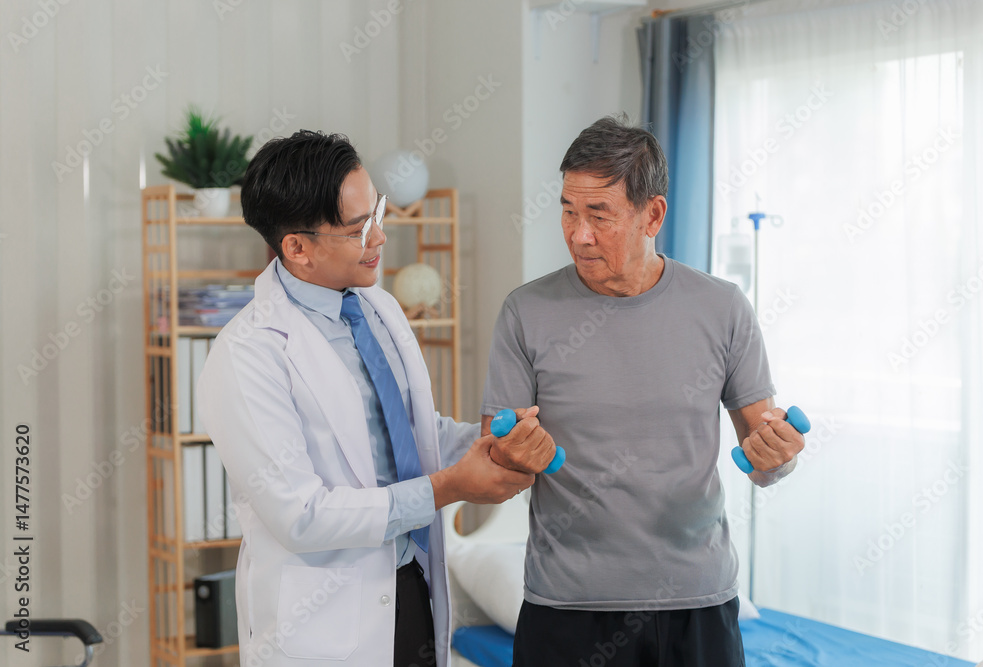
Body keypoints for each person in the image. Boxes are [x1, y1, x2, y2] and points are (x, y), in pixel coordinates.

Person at [197, 130, 551, 667]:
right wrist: (448, 488)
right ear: (297, 248)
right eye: (359, 228)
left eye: (377, 213)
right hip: (324, 621)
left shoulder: (377, 308)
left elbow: (408, 433)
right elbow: (301, 515)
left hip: (412, 586)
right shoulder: (247, 354)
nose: (381, 237)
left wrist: (491, 441)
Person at [482, 115, 805, 667]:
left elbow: (765, 456)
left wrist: (779, 455)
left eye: (598, 214)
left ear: (652, 214)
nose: (578, 234)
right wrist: (512, 455)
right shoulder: (525, 312)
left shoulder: (723, 308)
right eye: (568, 210)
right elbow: (495, 464)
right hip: (568, 608)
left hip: (697, 603)